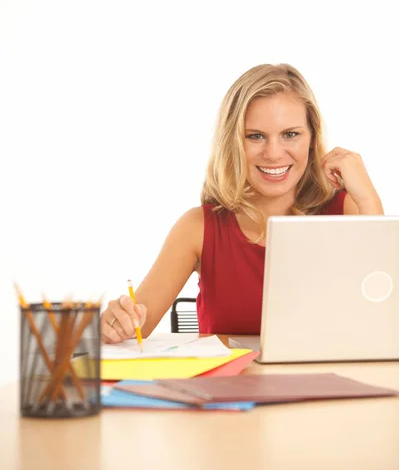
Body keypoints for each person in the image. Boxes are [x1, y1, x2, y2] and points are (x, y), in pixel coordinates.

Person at [100, 63, 383, 342]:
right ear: (233, 141)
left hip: (328, 386)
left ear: (312, 138)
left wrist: (368, 198)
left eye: (290, 134)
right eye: (255, 136)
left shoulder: (348, 214)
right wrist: (117, 322)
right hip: (229, 387)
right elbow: (136, 327)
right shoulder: (197, 228)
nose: (273, 154)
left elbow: (383, 315)